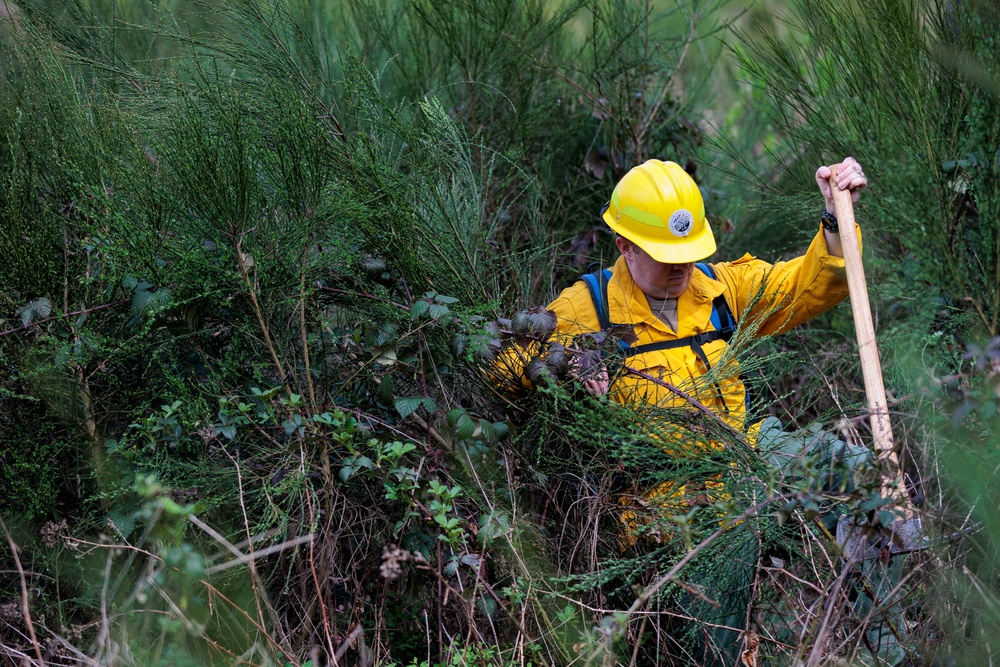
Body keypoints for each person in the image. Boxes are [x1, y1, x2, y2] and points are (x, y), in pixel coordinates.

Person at [541, 157, 867, 432]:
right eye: (667, 256)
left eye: (689, 252)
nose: (683, 265)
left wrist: (836, 217)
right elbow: (505, 362)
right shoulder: (590, 306)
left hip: (741, 481)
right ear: (626, 247)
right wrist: (566, 359)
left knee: (840, 461)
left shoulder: (722, 288)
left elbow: (807, 285)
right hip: (655, 500)